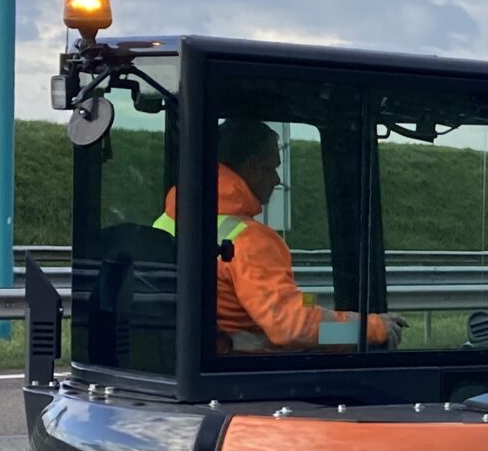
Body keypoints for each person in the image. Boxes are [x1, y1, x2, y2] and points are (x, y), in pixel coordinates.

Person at [156, 118, 404, 353]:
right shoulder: (249, 240)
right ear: (252, 166)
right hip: (246, 378)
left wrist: (314, 308)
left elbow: (284, 309)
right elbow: (290, 328)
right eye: (272, 168)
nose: (276, 179)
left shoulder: (170, 219)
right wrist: (371, 329)